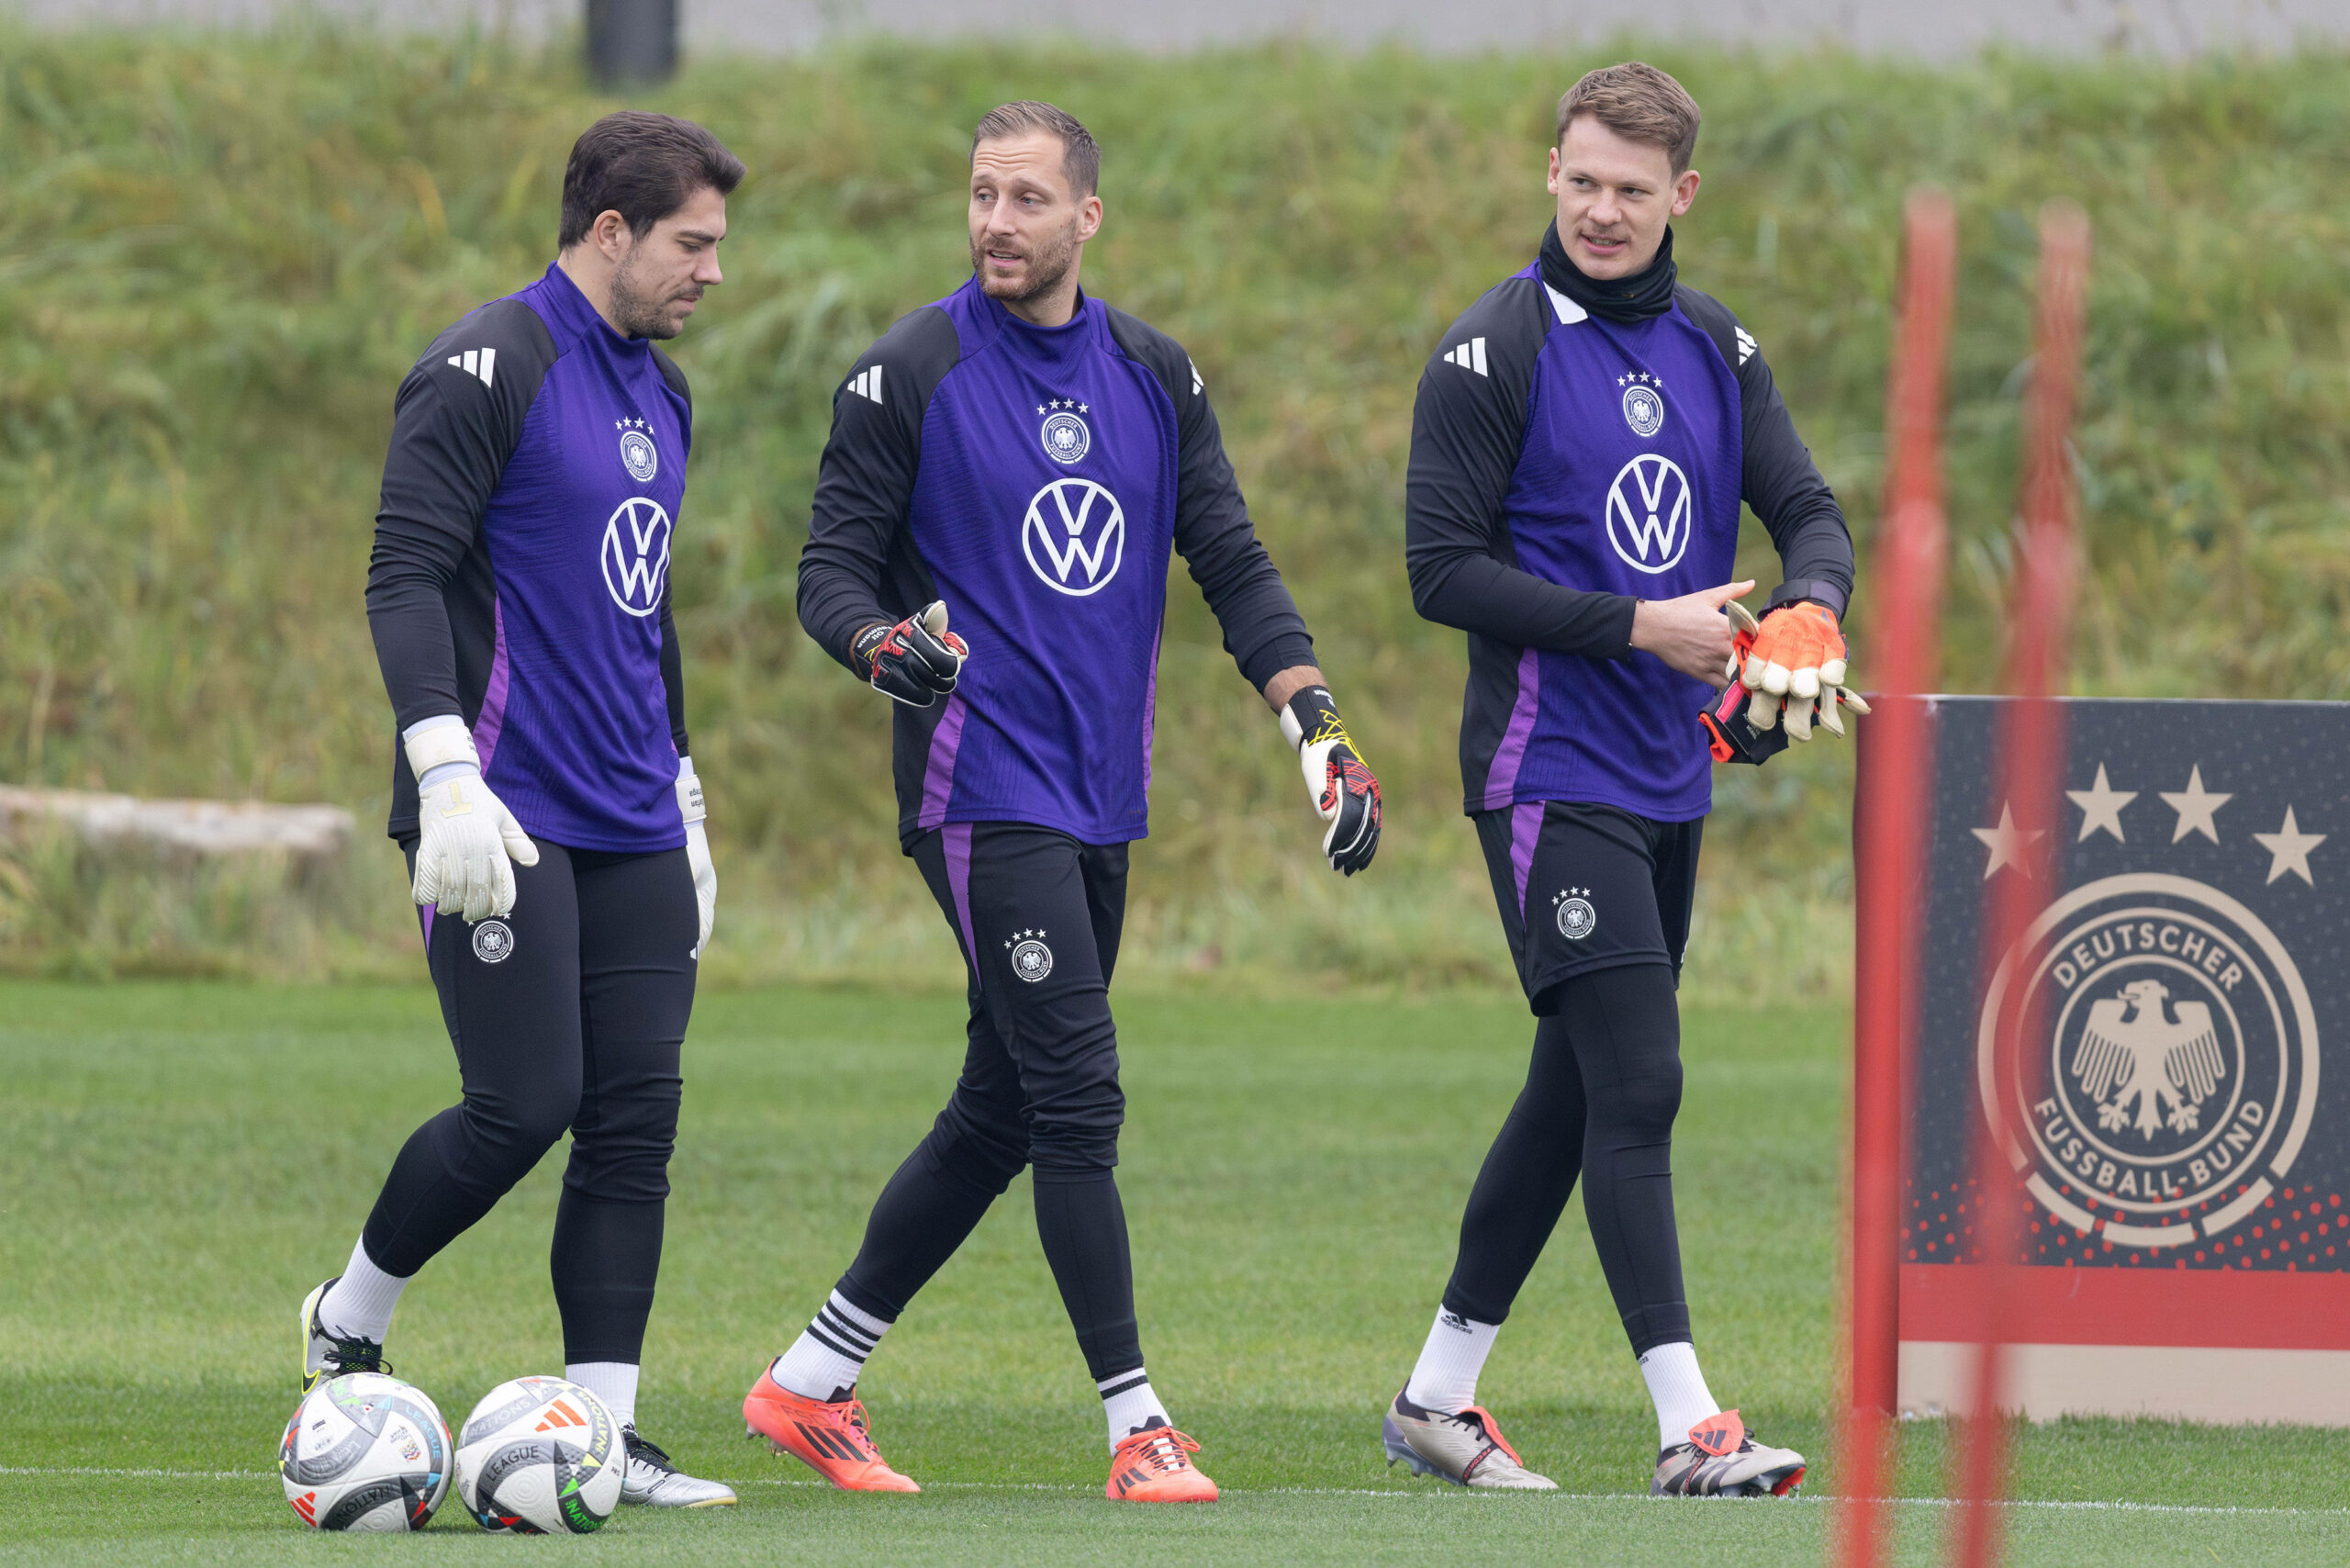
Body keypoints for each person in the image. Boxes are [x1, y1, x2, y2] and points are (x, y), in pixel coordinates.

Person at [751, 99, 1382, 1504]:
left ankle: (807, 1382)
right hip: (980, 786)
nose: (997, 222)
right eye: (981, 193)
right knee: (1080, 1093)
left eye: (1028, 198)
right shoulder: (905, 372)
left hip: (1104, 792)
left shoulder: (1155, 375)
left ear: (1086, 217)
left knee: (1006, 1103)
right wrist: (879, 647)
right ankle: (1137, 1424)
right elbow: (828, 577)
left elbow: (1230, 559)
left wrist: (1317, 729)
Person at [1387, 61, 1862, 1496]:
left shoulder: (1720, 348)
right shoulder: (1491, 353)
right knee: (1640, 1082)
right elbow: (1440, 573)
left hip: (1671, 777)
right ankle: (1690, 1423)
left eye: (1633, 191)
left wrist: (1813, 613)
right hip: (1546, 774)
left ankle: (1433, 1399)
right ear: (1551, 173)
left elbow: (1810, 511)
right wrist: (1640, 628)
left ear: (1682, 198)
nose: (1603, 210)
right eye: (1583, 180)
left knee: (1574, 1093)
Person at [300, 111, 743, 1509]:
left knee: (636, 1122)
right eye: (693, 244)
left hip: (630, 815)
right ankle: (350, 1317)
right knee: (526, 1101)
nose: (712, 274)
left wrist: (684, 792)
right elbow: (404, 577)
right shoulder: (487, 362)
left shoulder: (664, 396)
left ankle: (602, 1436)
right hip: (501, 813)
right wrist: (442, 775)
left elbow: (642, 606)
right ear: (610, 232)